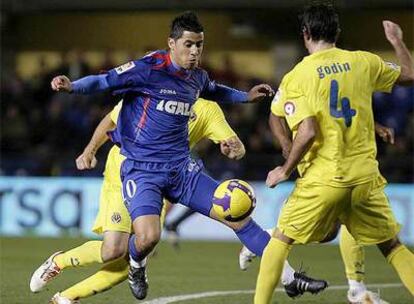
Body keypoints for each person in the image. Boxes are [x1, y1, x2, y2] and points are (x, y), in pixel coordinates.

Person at [40, 11, 327, 300]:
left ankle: (289, 278)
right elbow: (105, 81)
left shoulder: (197, 78)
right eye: (188, 44)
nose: (194, 51)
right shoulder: (147, 69)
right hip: (142, 170)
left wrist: (244, 96)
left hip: (182, 170)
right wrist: (73, 87)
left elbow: (214, 90)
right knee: (147, 238)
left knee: (239, 216)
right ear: (172, 43)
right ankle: (136, 265)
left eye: (199, 45)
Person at [254, 4, 414, 304]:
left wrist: (285, 168)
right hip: (365, 178)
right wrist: (397, 41)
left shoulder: (298, 75)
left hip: (324, 178)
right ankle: (357, 288)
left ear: (305, 34)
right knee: (393, 248)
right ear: (337, 32)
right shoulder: (363, 61)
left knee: (281, 240)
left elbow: (308, 130)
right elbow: (410, 74)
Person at [29, 98, 244, 303]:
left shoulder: (204, 108)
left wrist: (233, 146)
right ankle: (59, 262)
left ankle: (65, 297)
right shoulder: (149, 88)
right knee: (113, 250)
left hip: (160, 180)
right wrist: (90, 150)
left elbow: (227, 140)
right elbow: (112, 118)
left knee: (129, 261)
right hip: (125, 171)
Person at [239, 122, 396, 303]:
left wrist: (374, 126)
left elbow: (349, 107)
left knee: (331, 232)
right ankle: (357, 290)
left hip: (342, 158)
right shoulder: (296, 95)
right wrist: (285, 148)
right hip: (322, 166)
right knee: (352, 221)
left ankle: (262, 238)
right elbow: (277, 114)